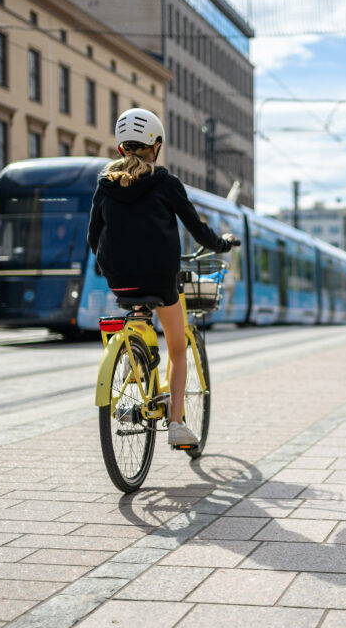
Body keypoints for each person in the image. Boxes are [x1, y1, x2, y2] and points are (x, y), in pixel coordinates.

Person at [88, 108, 237, 448]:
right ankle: (176, 424)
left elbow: (94, 236)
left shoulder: (105, 184)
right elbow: (197, 230)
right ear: (154, 146)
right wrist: (221, 244)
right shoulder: (166, 183)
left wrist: (108, 268)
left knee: (138, 317)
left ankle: (134, 377)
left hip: (120, 280)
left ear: (122, 147)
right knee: (177, 349)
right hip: (160, 280)